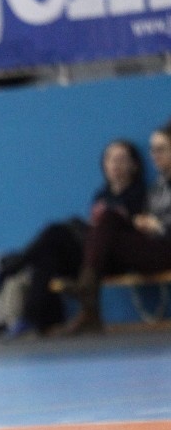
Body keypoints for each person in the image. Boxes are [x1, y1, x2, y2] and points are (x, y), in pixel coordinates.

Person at [0, 139, 146, 336]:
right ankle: (34, 320)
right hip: (92, 254)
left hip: (114, 257)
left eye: (121, 159)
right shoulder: (101, 195)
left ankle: (11, 267)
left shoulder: (140, 194)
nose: (115, 165)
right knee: (48, 255)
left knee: (55, 231)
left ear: (134, 165)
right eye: (110, 159)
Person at [57, 123, 171, 334]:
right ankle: (88, 301)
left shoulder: (149, 189)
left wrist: (159, 225)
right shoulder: (157, 187)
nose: (155, 155)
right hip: (150, 244)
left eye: (161, 149)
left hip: (166, 247)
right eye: (152, 150)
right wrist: (142, 222)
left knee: (108, 222)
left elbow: (161, 225)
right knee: (106, 222)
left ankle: (87, 295)